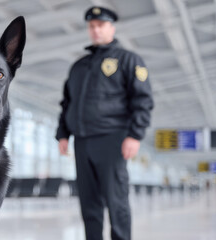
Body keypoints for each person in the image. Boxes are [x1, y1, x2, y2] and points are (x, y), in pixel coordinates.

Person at [55, 6, 154, 240]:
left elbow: (143, 99)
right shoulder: (79, 67)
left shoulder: (129, 60)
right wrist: (62, 134)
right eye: (92, 26)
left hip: (113, 138)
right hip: (82, 141)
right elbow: (67, 103)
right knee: (89, 203)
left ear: (112, 27)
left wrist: (135, 134)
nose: (96, 30)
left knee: (116, 201)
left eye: (100, 25)